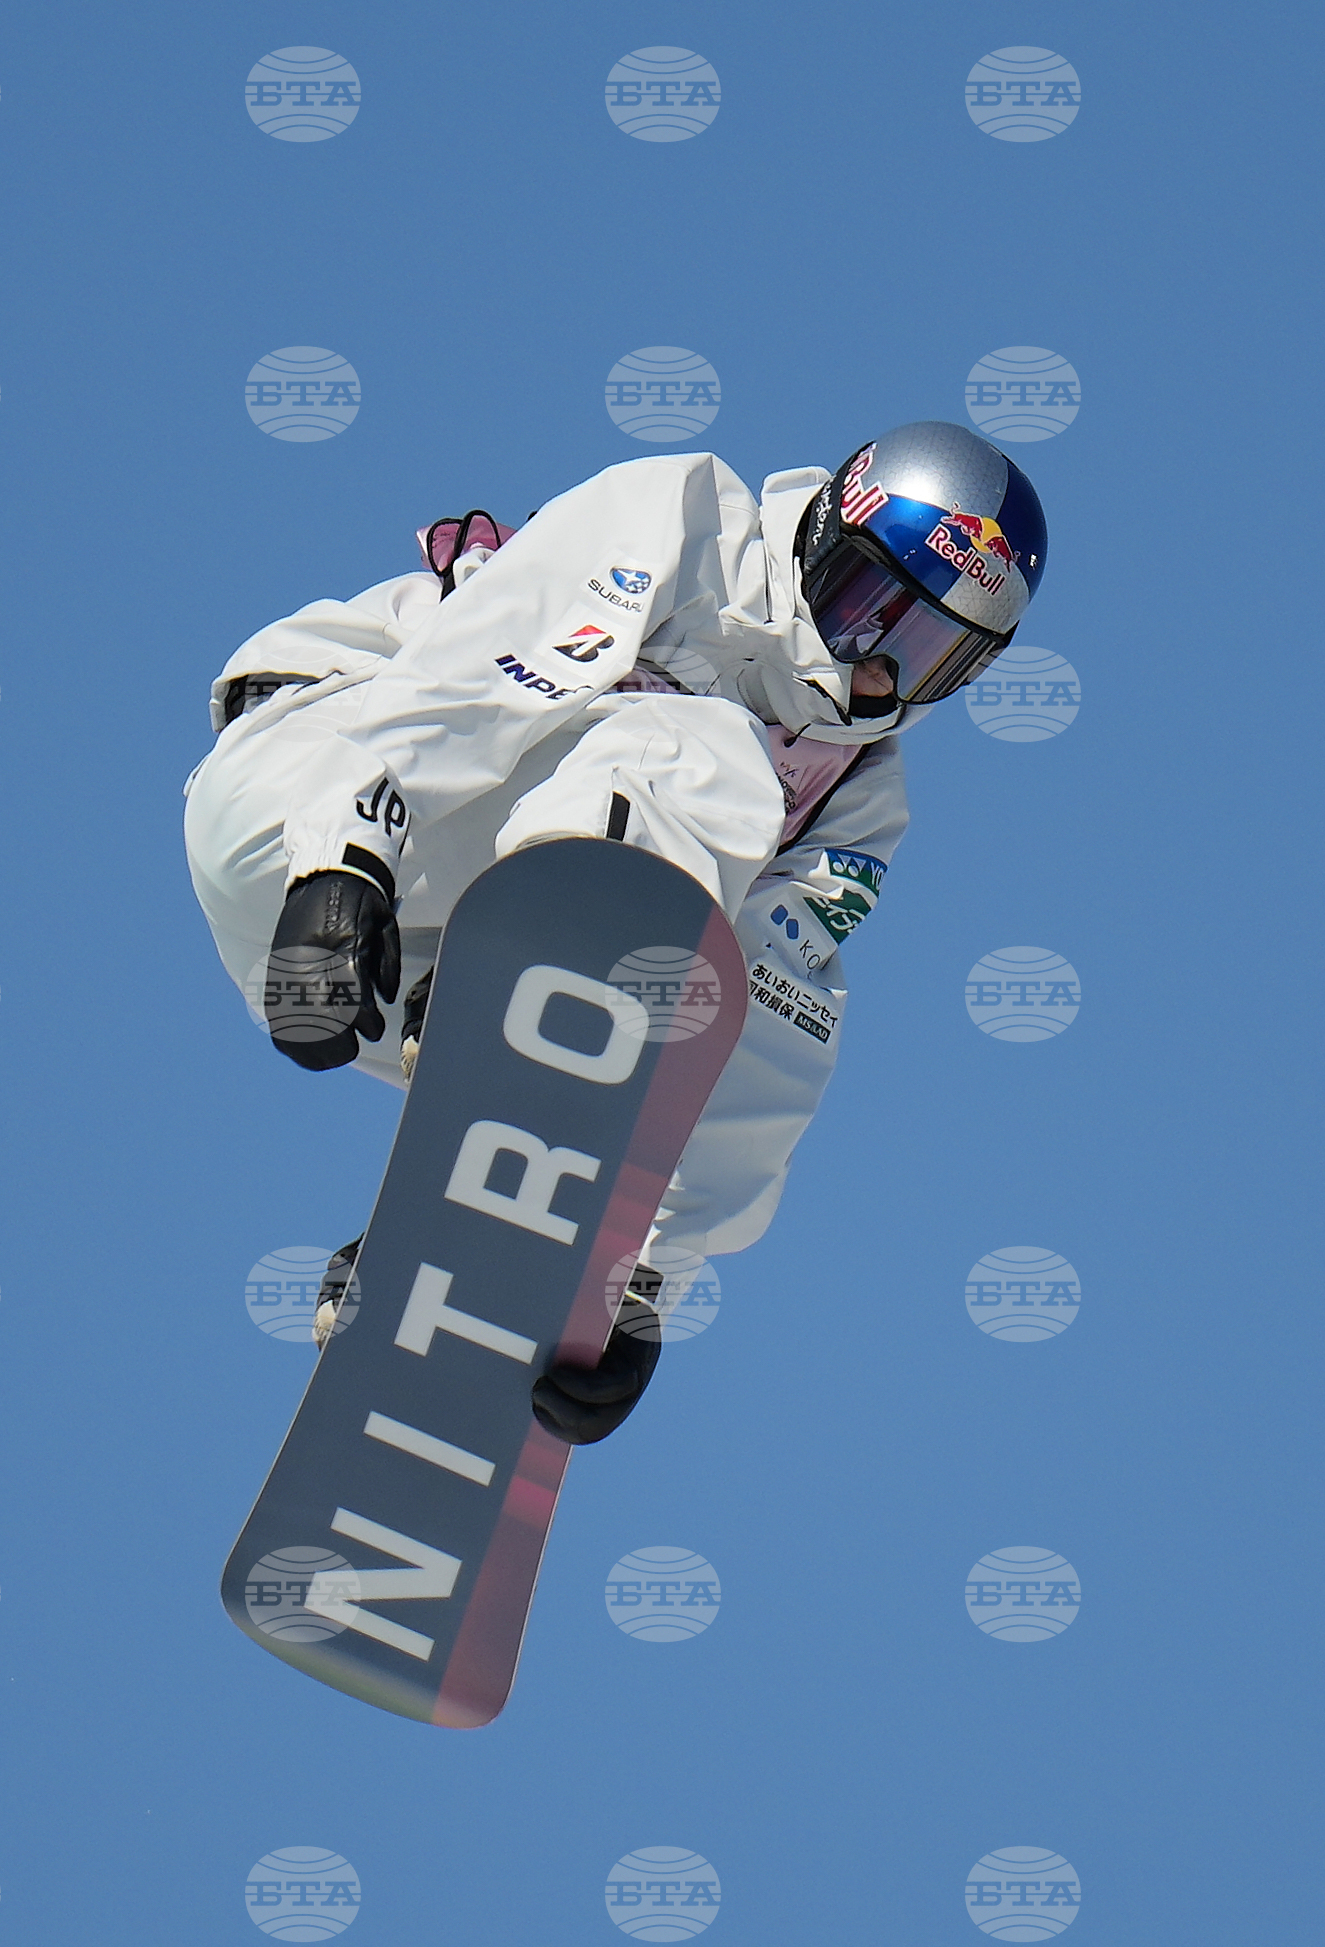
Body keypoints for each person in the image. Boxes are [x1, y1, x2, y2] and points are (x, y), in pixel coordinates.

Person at [185, 419, 1047, 1442]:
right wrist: (344, 857)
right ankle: (527, 1000)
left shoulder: (857, 796)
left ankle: (478, 1229)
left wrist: (640, 1278)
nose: (871, 671)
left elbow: (762, 1026)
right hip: (322, 784)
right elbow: (473, 682)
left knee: (767, 985)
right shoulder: (689, 520)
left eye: (926, 654)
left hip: (409, 968)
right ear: (820, 537)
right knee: (702, 748)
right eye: (869, 609)